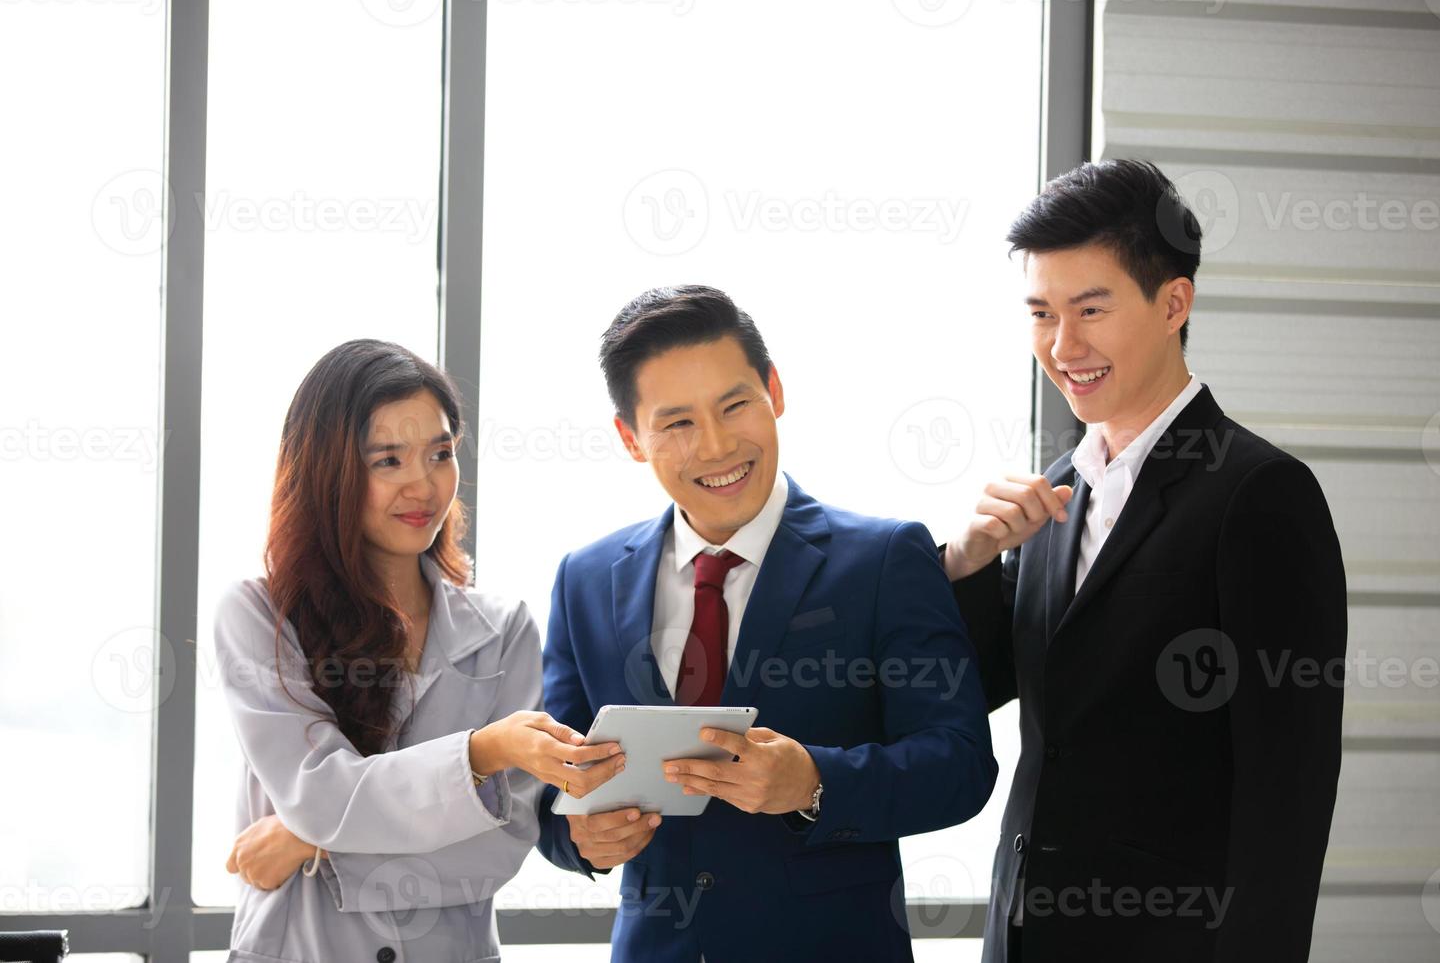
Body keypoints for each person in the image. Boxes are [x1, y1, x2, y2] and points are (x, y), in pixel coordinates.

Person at [942, 160, 1348, 962]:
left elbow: (1289, 794)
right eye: (1041, 313)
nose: (1063, 346)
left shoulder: (1260, 494)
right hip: (1025, 935)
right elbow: (981, 689)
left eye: (1091, 309)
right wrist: (964, 566)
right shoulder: (1053, 496)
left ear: (1173, 304)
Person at [535, 286, 998, 962]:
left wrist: (813, 782)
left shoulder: (884, 558)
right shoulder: (585, 577)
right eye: (678, 424)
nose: (718, 446)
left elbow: (959, 765)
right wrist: (576, 837)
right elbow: (550, 775)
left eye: (734, 405)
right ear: (632, 439)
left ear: (774, 390)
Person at [213, 339, 624, 963]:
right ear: (330, 469)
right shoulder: (258, 615)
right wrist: (484, 755)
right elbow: (320, 793)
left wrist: (311, 843)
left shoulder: (504, 628)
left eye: (440, 453)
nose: (423, 484)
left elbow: (503, 841)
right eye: (388, 460)